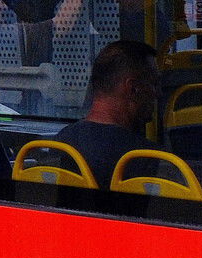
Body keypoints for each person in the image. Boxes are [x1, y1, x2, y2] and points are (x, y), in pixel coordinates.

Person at [53, 40, 159, 188]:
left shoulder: (60, 143)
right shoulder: (147, 158)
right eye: (153, 84)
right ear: (133, 89)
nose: (156, 94)